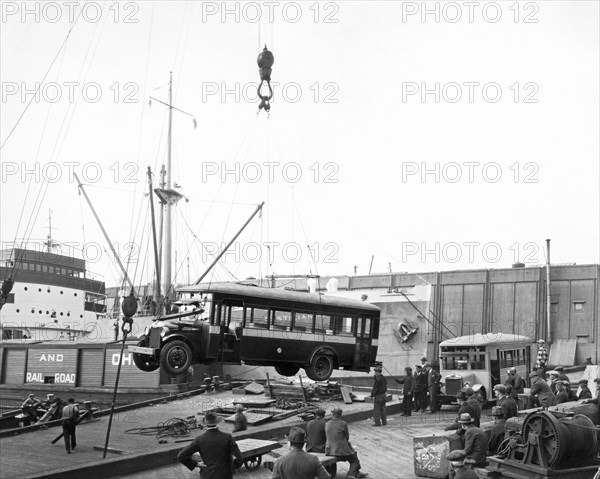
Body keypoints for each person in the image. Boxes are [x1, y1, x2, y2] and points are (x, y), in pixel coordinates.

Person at [178, 411, 243, 479]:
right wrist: (232, 468)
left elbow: (181, 455)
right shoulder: (227, 437)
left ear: (205, 422)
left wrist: (196, 464)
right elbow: (240, 459)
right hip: (225, 475)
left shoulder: (199, 440)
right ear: (216, 421)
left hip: (207, 475)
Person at [325, 407, 368, 478]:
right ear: (340, 414)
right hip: (340, 450)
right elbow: (347, 437)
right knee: (354, 460)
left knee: (353, 451)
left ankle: (357, 472)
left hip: (329, 449)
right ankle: (351, 475)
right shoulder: (343, 423)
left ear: (332, 414)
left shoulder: (327, 423)